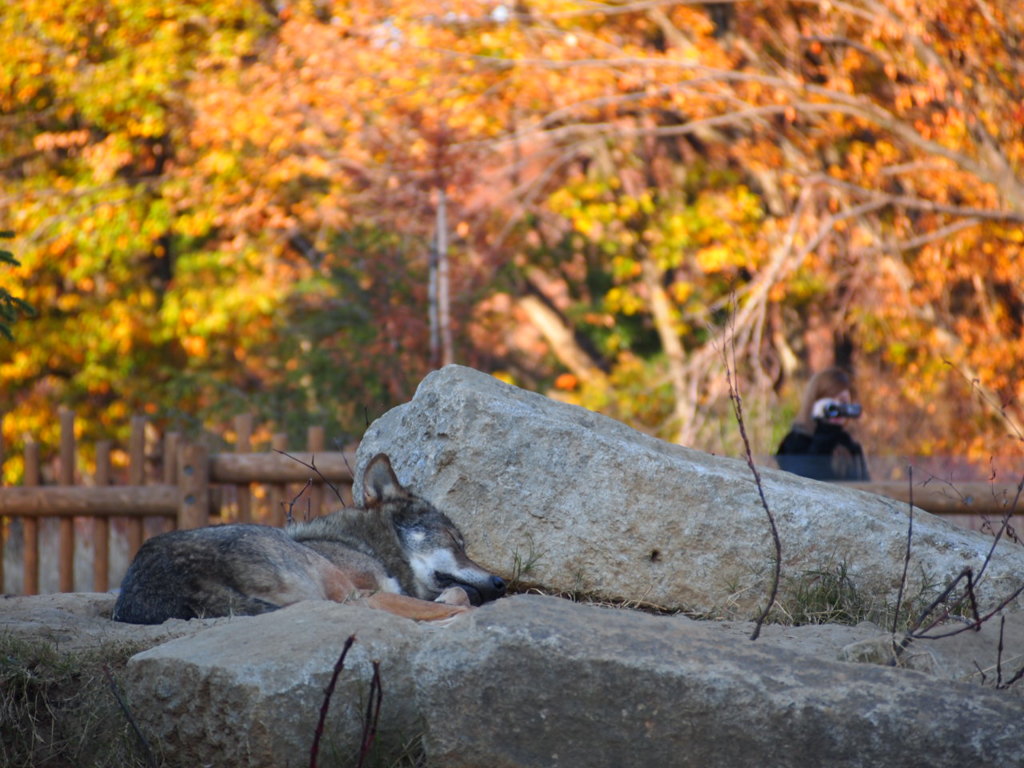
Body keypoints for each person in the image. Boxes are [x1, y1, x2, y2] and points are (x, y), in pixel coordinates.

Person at [775, 367, 870, 481]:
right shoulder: (794, 442)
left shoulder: (849, 445)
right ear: (815, 404)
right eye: (830, 405)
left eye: (843, 402)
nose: (837, 409)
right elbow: (803, 477)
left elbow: (863, 486)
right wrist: (824, 431)